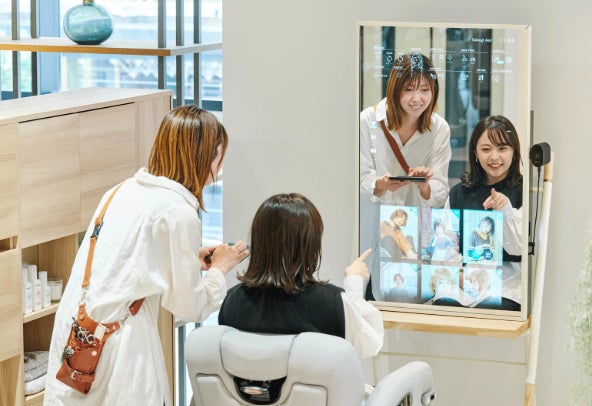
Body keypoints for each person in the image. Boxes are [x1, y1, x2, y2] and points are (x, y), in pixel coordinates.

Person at [44, 106, 249, 405]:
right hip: (118, 344)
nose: (220, 167)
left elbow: (124, 259)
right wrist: (219, 269)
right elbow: (189, 306)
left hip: (78, 333)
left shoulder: (121, 191)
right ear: (206, 156)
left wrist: (188, 258)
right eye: (219, 156)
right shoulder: (178, 212)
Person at [218, 193, 384, 359]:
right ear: (311, 244)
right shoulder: (331, 304)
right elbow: (369, 343)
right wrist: (354, 281)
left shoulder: (232, 302)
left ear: (259, 240)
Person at [359, 52, 451, 299]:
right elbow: (359, 177)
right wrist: (380, 184)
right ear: (395, 88)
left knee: (407, 294)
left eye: (424, 90)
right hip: (372, 220)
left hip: (413, 226)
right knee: (365, 292)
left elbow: (441, 187)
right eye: (409, 89)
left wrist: (425, 187)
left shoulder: (439, 129)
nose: (417, 98)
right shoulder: (368, 120)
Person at [447, 115, 523, 310]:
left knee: (491, 308)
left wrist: (506, 209)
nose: (494, 157)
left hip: (507, 284)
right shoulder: (458, 193)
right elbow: (446, 244)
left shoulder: (525, 192)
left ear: (514, 151)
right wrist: (457, 274)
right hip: (465, 281)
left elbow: (518, 247)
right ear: (475, 152)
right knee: (443, 304)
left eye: (502, 148)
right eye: (486, 149)